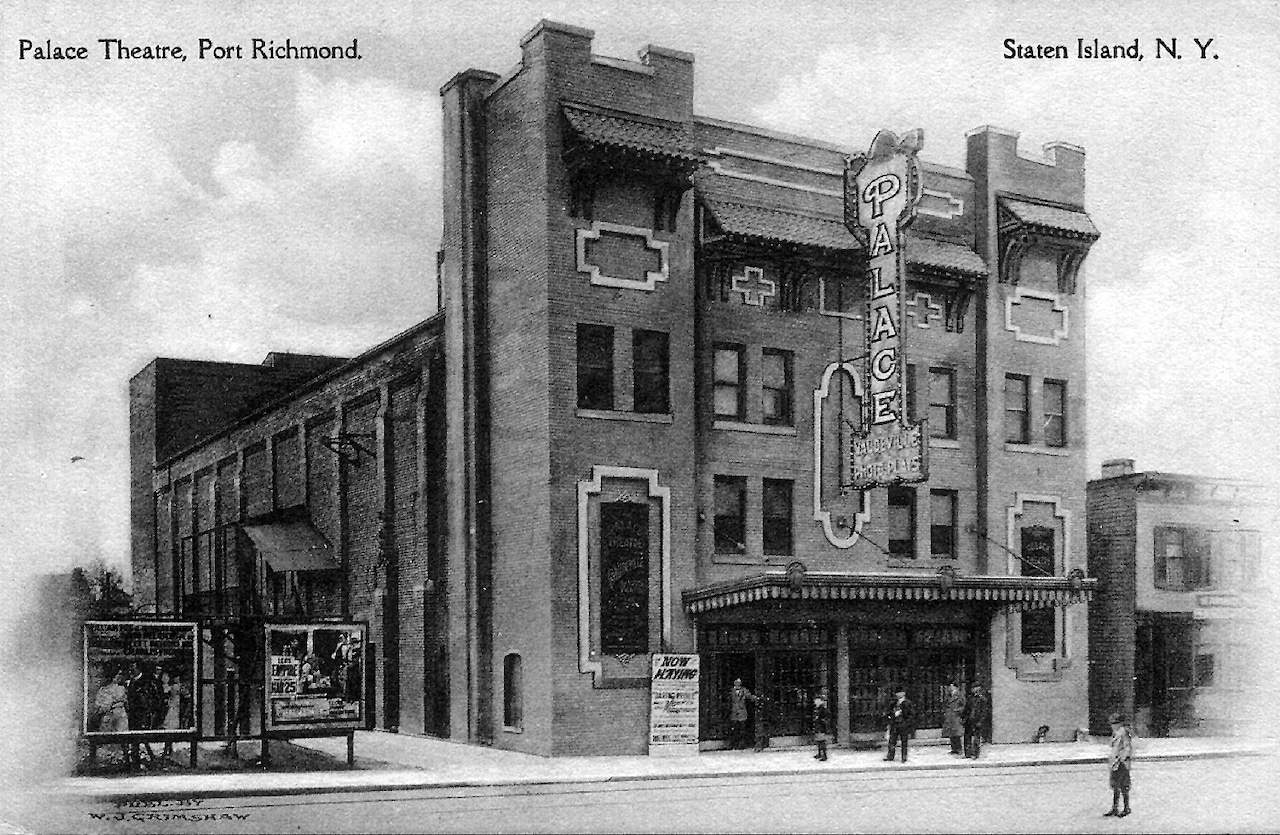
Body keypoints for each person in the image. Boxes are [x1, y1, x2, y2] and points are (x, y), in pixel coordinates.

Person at [1104, 712, 1134, 818]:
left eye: (1115, 723)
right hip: (1115, 762)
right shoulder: (1116, 733)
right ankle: (1115, 808)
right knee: (1115, 786)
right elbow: (1112, 745)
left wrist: (1122, 759)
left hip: (1121, 763)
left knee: (1123, 786)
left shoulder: (1124, 733)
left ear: (1120, 723)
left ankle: (1126, 808)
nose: (1113, 725)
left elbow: (1127, 747)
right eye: (1112, 723)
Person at [883, 688, 916, 763]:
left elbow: (911, 714)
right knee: (892, 741)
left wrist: (907, 722)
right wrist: (893, 716)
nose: (898, 695)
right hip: (895, 724)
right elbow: (888, 712)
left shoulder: (908, 703)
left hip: (903, 725)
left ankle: (904, 757)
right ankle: (890, 756)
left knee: (904, 742)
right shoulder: (893, 703)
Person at [727, 678, 757, 750]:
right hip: (734, 712)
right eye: (736, 682)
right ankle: (734, 745)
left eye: (739, 682)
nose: (738, 684)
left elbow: (750, 696)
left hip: (742, 712)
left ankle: (742, 745)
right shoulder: (731, 691)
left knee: (742, 729)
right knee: (734, 729)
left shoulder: (744, 690)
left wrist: (756, 698)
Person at [963, 683, 988, 759]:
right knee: (967, 737)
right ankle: (968, 753)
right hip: (969, 720)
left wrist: (980, 721)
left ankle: (975, 753)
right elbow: (966, 709)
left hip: (977, 720)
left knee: (976, 738)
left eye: (975, 688)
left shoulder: (982, 699)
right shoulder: (970, 698)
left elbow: (984, 712)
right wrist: (964, 719)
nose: (973, 689)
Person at [942, 682, 965, 756]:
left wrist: (958, 710)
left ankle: (959, 749)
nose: (949, 688)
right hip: (950, 717)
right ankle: (954, 749)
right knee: (951, 733)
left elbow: (964, 705)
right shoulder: (948, 696)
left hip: (956, 717)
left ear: (955, 687)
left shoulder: (959, 695)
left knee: (957, 734)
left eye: (951, 686)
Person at [812, 693, 832, 762]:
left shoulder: (823, 709)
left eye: (817, 701)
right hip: (818, 727)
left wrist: (822, 721)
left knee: (822, 741)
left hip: (821, 727)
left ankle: (824, 755)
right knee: (819, 741)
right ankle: (820, 754)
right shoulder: (817, 709)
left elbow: (827, 718)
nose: (815, 702)